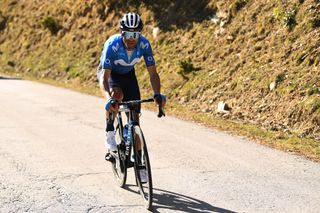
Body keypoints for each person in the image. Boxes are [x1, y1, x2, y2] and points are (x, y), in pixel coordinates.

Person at [97, 12, 166, 162]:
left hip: (129, 76)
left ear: (139, 34)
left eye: (135, 35)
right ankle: (109, 135)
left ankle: (139, 161)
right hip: (111, 74)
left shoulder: (144, 44)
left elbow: (153, 74)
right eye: (127, 34)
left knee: (135, 119)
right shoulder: (112, 45)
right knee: (117, 96)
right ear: (122, 32)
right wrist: (108, 98)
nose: (131, 39)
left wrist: (157, 93)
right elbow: (104, 77)